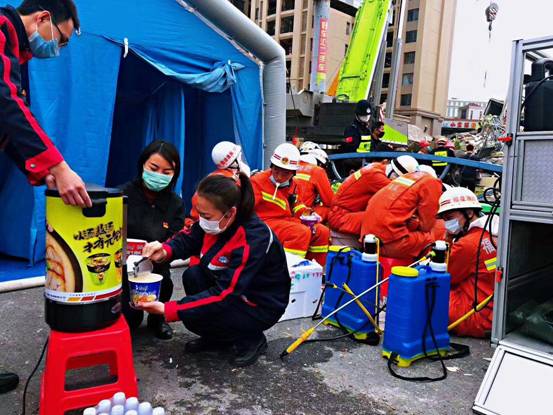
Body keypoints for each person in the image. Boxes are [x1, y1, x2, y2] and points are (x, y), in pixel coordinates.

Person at [0, 0, 84, 395]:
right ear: (44, 18)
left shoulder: (17, 54)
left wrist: (44, 172)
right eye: (61, 40)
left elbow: (11, 125)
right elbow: (6, 104)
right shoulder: (1, 29)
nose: (58, 50)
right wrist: (59, 166)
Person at [138, 174, 290, 367]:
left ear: (230, 213)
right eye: (199, 213)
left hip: (259, 304)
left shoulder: (254, 238)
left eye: (206, 216)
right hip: (234, 292)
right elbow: (188, 238)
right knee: (193, 277)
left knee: (194, 315)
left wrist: (169, 309)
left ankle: (252, 338)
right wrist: (165, 250)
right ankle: (219, 338)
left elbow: (226, 294)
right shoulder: (217, 221)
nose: (201, 220)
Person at [120, 141, 185, 339]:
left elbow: (178, 237)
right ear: (143, 165)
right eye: (154, 168)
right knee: (130, 320)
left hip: (157, 268)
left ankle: (158, 319)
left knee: (164, 283)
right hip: (124, 269)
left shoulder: (175, 203)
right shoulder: (122, 195)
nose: (159, 175)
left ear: (174, 174)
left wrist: (163, 250)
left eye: (166, 172)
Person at [251, 143, 330, 266]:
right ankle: (288, 270)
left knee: (321, 231)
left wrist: (308, 214)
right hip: (263, 223)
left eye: (285, 173)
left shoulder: (294, 184)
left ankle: (315, 270)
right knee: (300, 233)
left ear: (293, 173)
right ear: (271, 166)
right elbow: (245, 208)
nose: (279, 176)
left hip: (286, 222)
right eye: (276, 170)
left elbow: (297, 206)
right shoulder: (257, 181)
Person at [438, 187, 497, 337]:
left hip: (475, 316)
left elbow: (444, 276)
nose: (447, 224)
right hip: (493, 313)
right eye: (445, 219)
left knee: (427, 291)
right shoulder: (491, 232)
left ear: (469, 213)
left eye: (450, 217)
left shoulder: (467, 244)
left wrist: (447, 239)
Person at [361, 160, 442, 261]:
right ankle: (423, 267)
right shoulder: (432, 183)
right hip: (389, 243)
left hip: (368, 239)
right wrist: (416, 222)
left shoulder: (405, 179)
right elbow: (426, 226)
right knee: (434, 233)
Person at [328, 156, 403, 237]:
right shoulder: (376, 177)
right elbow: (401, 196)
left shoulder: (376, 167)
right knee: (387, 220)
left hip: (341, 215)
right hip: (342, 218)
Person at [188, 141, 249, 223]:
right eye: (239, 158)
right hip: (214, 222)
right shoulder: (232, 183)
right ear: (234, 162)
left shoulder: (212, 177)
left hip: (199, 220)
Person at [295, 152, 334, 221]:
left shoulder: (291, 166)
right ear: (320, 163)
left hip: (286, 211)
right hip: (303, 214)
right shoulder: (317, 170)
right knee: (331, 209)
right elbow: (330, 201)